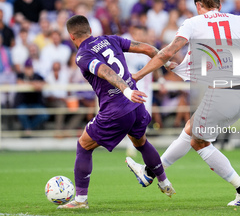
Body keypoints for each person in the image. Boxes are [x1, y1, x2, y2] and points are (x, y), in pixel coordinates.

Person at [127, 0, 240, 206]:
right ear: (219, 5)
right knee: (191, 130)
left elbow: (168, 52)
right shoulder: (239, 20)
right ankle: (149, 173)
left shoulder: (193, 23)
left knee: (198, 142)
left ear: (199, 6)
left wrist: (137, 74)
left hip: (220, 94)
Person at [57, 15, 176, 209]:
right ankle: (164, 182)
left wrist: (126, 91)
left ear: (71, 36)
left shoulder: (82, 55)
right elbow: (147, 48)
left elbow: (105, 71)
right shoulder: (109, 39)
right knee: (141, 141)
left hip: (117, 109)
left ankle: (80, 200)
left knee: (84, 146)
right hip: (137, 107)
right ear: (90, 30)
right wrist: (166, 62)